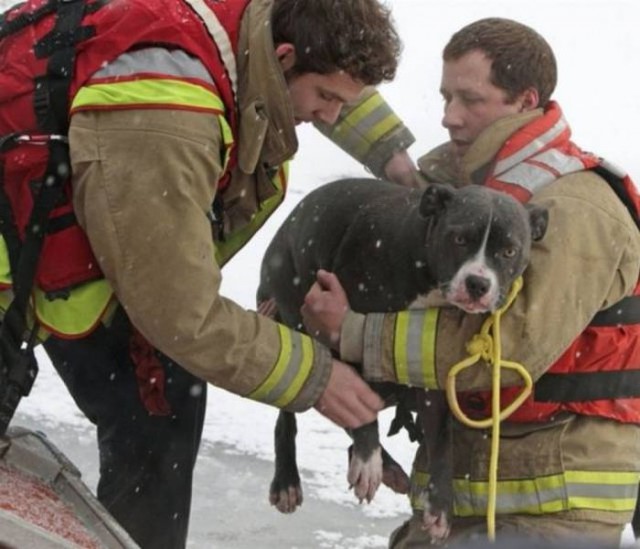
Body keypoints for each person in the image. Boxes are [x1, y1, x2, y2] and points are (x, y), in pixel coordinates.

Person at [0, 0, 416, 547]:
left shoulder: (258, 27)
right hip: (23, 265)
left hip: (85, 242)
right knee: (167, 375)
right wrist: (315, 377)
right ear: (283, 58)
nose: (330, 117)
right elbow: (180, 311)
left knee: (164, 400)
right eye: (326, 100)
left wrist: (395, 158)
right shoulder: (164, 110)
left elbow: (327, 64)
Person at [301, 17, 640, 546]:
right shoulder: (467, 189)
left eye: (470, 100)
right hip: (470, 500)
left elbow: (510, 348)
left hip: (547, 507)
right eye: (444, 97)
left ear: (526, 100)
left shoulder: (576, 205)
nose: (448, 117)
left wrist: (355, 333)